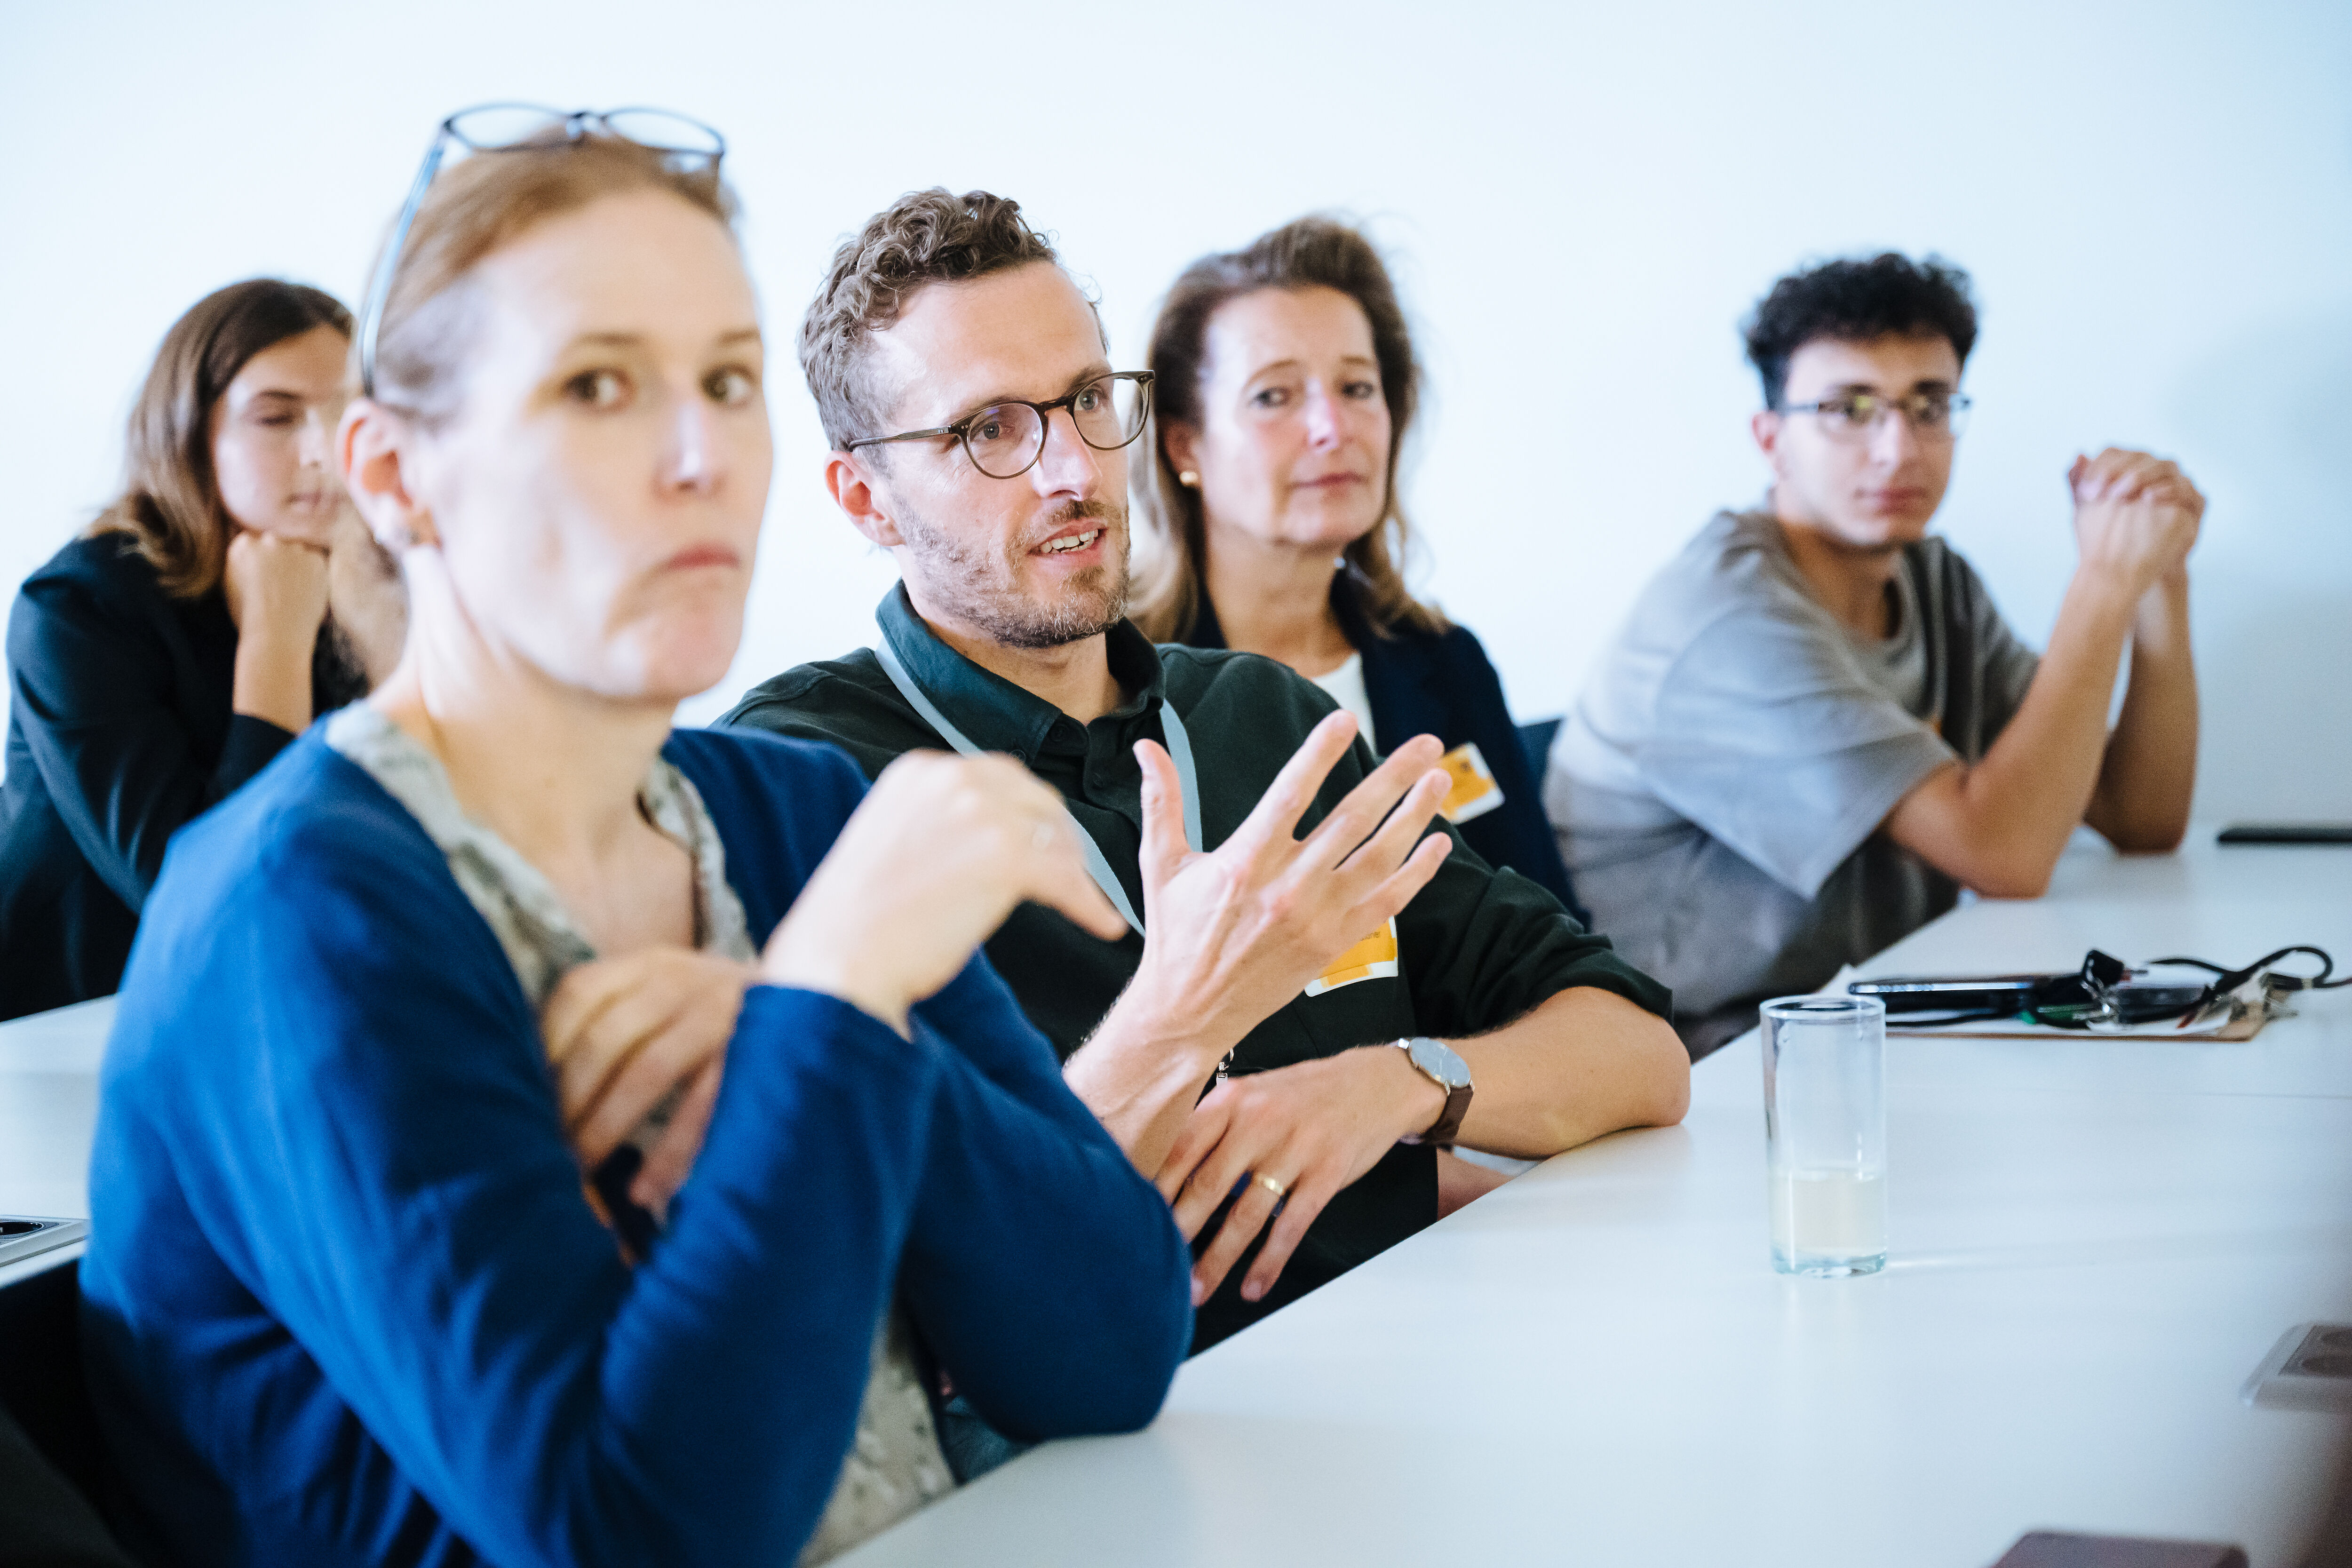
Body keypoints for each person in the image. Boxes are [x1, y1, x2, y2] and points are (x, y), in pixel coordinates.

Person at [78, 117, 1190, 1568]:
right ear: (394, 476)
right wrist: (831, 997)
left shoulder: (790, 813)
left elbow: (1114, 1346)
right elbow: (628, 1532)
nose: (699, 456)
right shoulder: (299, 910)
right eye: (597, 384)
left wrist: (806, 1036)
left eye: (727, 381)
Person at [722, 189, 1688, 1353]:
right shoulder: (797, 780)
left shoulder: (1261, 718)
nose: (1072, 470)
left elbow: (1640, 1054)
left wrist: (1400, 1080)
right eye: (988, 429)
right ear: (864, 498)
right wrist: (1181, 1016)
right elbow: (888, 1283)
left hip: (1428, 1366)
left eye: (1088, 399)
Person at [1548, 253, 2201, 1058]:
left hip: (1865, 1026)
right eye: (1848, 409)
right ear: (1771, 441)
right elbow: (2007, 854)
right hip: (1704, 1068)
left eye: (1930, 405)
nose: (1898, 448)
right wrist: (2103, 581)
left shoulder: (1934, 579)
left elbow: (2140, 817)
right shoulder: (1724, 620)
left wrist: (2158, 576)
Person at [1130, 217, 1582, 918]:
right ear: (1185, 446)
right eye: (1274, 396)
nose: (1332, 428)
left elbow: (1552, 928)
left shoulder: (1446, 662)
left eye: (1357, 388)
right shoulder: (1121, 691)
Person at [0, 280, 406, 1020]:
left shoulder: (372, 583)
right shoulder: (76, 609)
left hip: (286, 1003)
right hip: (74, 1028)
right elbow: (209, 896)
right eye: (276, 418)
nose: (324, 451)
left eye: (346, 410)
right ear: (188, 435)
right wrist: (276, 642)